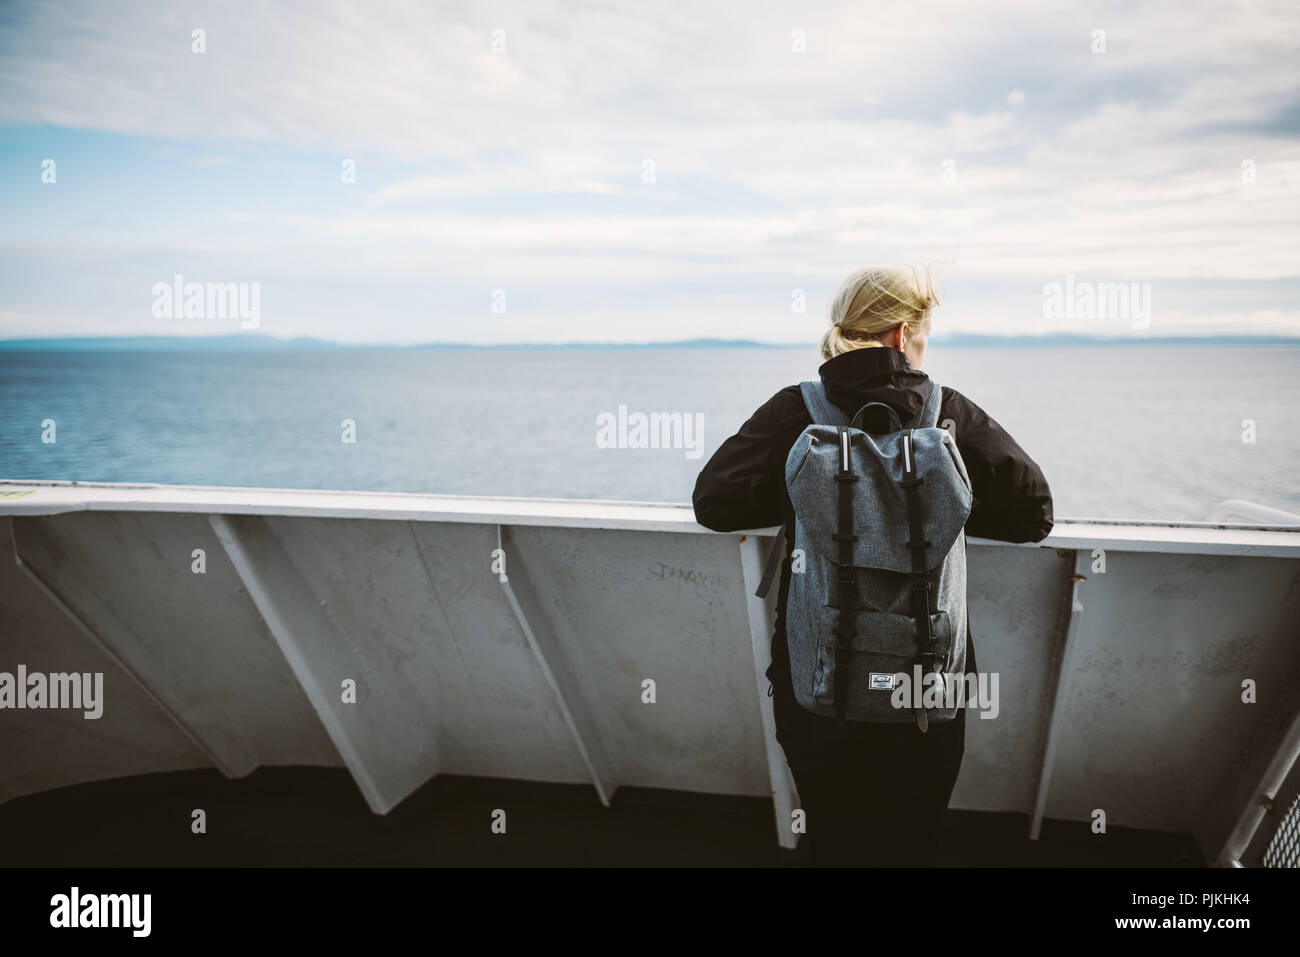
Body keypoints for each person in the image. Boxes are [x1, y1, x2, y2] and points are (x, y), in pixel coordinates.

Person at [692, 265, 1054, 866]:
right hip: (926, 685)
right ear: (902, 332)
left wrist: (806, 498)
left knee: (835, 837)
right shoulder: (949, 414)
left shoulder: (795, 411)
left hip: (818, 681)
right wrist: (940, 511)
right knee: (914, 840)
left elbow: (714, 503)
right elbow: (1033, 515)